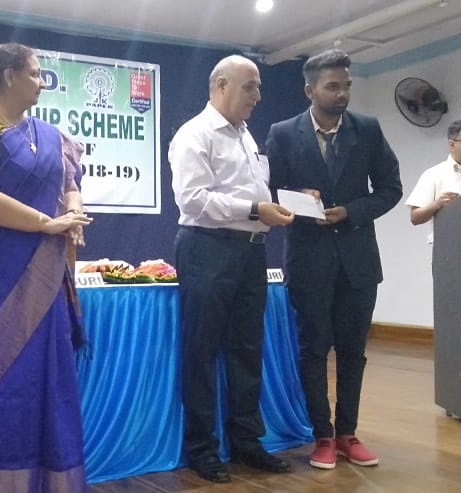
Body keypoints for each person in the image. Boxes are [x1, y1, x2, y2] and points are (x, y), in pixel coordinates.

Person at [0, 43, 92, 493]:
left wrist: (74, 214)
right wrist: (45, 223)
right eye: (34, 73)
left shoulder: (51, 135)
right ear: (9, 76)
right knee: (4, 381)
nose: (42, 82)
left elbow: (70, 183)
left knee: (51, 379)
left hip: (46, 281)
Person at [265, 49, 402, 470]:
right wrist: (295, 197)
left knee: (352, 352)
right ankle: (322, 436)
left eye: (346, 86)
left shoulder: (368, 129)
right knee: (312, 351)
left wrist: (351, 211)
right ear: (310, 90)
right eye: (332, 86)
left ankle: (348, 434)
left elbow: (390, 189)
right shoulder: (283, 133)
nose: (342, 93)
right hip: (308, 259)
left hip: (358, 262)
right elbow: (268, 191)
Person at [168, 54, 295, 484]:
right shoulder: (195, 134)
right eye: (250, 86)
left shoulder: (245, 136)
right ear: (221, 85)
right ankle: (201, 449)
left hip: (250, 252)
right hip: (207, 249)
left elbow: (252, 193)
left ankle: (246, 442)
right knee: (202, 351)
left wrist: (285, 202)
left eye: (258, 87)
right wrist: (257, 210)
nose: (258, 96)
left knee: (246, 349)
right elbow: (193, 200)